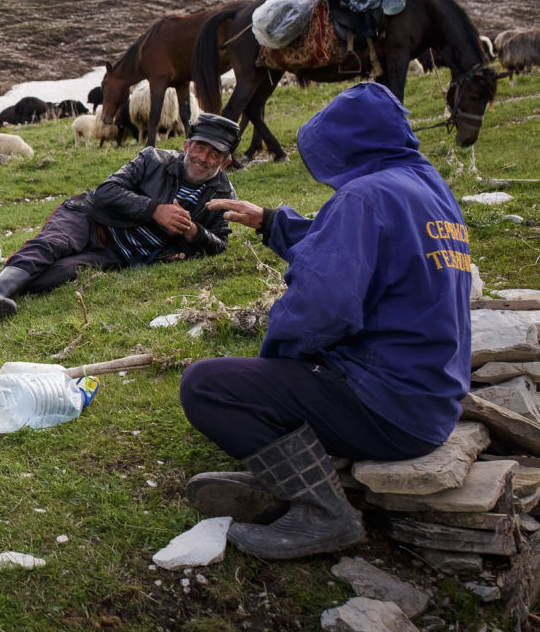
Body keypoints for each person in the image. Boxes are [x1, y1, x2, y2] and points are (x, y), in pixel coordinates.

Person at [180, 82, 472, 560]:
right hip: (431, 401)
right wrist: (272, 221)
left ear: (345, 141)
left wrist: (274, 369)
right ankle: (295, 475)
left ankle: (324, 512)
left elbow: (322, 306)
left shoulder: (364, 198)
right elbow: (352, 245)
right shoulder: (425, 186)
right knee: (272, 383)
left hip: (388, 408)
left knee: (207, 386)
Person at [0, 113, 243, 318]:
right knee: (52, 245)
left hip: (118, 254)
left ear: (225, 162)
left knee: (60, 273)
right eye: (200, 148)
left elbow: (219, 243)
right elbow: (107, 190)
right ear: (187, 145)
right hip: (90, 218)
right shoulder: (153, 159)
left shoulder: (223, 195)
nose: (204, 158)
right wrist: (154, 209)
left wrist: (194, 233)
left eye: (214, 154)